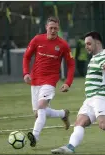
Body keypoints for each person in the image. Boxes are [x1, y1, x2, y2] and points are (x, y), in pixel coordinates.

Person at [22, 16, 75, 147]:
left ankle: (35, 137)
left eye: (55, 28)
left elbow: (71, 64)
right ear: (46, 27)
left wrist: (68, 82)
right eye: (51, 28)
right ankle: (63, 113)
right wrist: (26, 73)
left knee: (41, 106)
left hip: (50, 81)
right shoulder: (37, 39)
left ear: (58, 29)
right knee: (39, 113)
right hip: (35, 80)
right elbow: (26, 57)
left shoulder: (63, 45)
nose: (53, 31)